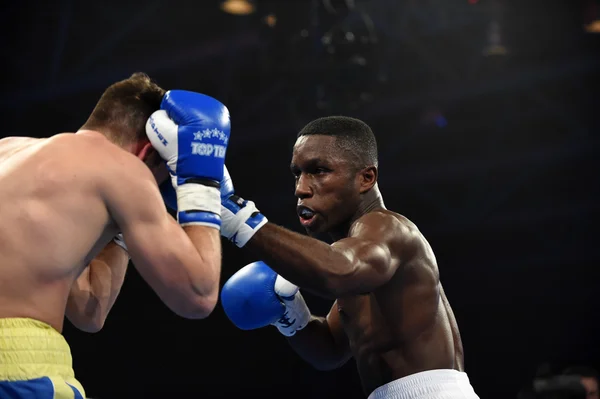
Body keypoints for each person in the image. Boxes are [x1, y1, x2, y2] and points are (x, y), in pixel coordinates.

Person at [0, 73, 231, 398]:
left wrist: (122, 228)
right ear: (150, 152)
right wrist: (199, 183)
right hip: (17, 367)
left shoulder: (9, 150)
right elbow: (198, 295)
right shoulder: (125, 170)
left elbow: (89, 312)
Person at [217, 116, 479, 398]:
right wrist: (291, 315)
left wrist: (240, 220)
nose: (301, 189)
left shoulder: (388, 229)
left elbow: (339, 271)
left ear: (366, 178)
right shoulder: (358, 256)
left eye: (318, 171)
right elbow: (329, 352)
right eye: (298, 173)